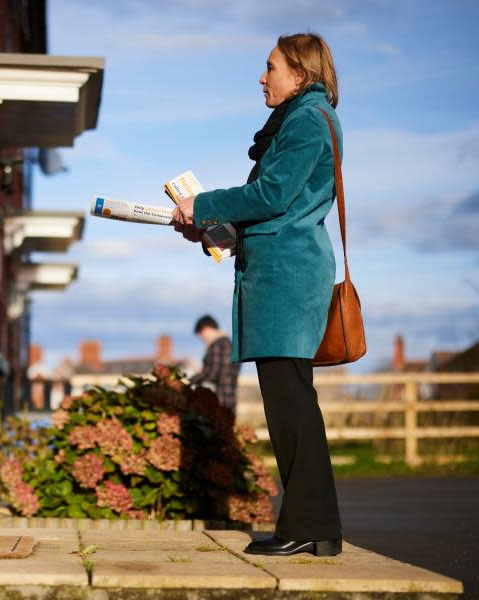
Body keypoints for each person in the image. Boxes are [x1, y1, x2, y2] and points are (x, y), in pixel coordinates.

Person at [172, 33, 343, 557]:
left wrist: (204, 205)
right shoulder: (300, 121)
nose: (261, 77)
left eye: (270, 67)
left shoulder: (308, 121)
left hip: (286, 282)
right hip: (280, 276)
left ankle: (306, 527)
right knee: (292, 407)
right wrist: (212, 228)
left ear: (301, 74)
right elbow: (278, 208)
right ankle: (318, 527)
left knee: (291, 408)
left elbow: (271, 195)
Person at [191, 315, 240, 412]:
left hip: (220, 402)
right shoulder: (227, 344)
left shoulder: (219, 345)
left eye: (201, 336)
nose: (202, 340)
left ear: (206, 329)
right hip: (228, 400)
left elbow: (213, 373)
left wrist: (190, 379)